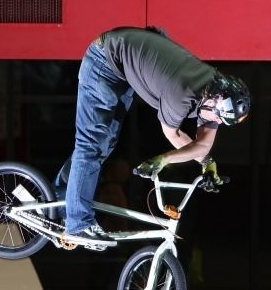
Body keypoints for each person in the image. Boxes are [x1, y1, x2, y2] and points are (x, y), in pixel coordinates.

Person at [55, 26, 250, 246]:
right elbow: (173, 134)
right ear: (212, 101)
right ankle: (78, 225)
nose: (216, 123)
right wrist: (163, 160)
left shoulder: (216, 87)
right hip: (104, 61)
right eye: (217, 118)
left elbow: (203, 145)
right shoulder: (180, 93)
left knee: (105, 143)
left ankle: (59, 202)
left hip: (124, 63)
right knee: (91, 144)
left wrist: (207, 162)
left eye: (222, 121)